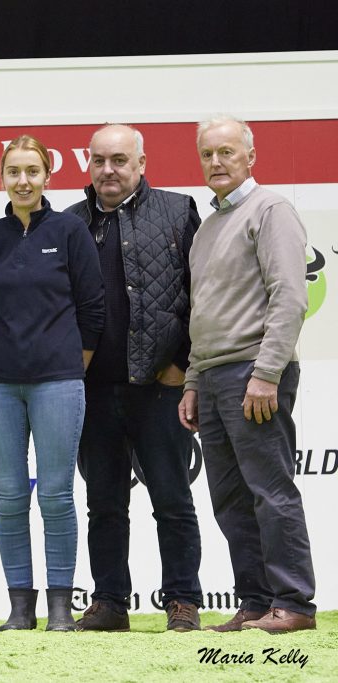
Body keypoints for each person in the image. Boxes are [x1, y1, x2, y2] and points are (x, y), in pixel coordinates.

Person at [179, 115, 316, 634]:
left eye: (227, 152)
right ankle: (257, 603)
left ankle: (295, 603)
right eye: (208, 153)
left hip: (254, 374)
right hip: (213, 377)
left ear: (250, 158)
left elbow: (290, 297)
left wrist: (266, 373)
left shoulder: (272, 209)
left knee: (270, 490)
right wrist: (193, 380)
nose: (216, 162)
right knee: (232, 497)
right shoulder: (208, 226)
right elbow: (201, 311)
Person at [65, 124, 203, 632]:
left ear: (141, 163)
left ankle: (183, 600)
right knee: (103, 503)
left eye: (120, 160)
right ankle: (109, 602)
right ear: (88, 163)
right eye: (99, 160)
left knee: (172, 498)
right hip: (93, 390)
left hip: (159, 386)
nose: (109, 170)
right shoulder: (69, 222)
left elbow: (199, 294)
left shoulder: (177, 210)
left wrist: (183, 365)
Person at [0, 135, 104, 631]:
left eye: (32, 171)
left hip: (59, 382)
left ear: (48, 175)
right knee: (8, 497)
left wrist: (70, 362)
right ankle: (20, 608)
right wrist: (9, 356)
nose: (22, 181)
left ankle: (61, 609)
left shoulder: (69, 231)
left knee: (55, 495)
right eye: (13, 172)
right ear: (1, 177)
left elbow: (93, 310)